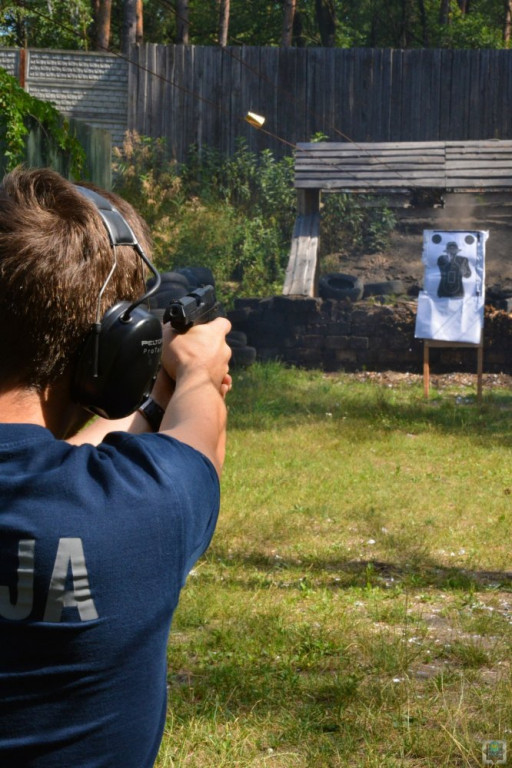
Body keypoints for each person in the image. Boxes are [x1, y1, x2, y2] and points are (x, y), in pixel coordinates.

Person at [0, 167, 232, 767]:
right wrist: (197, 374)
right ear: (110, 352)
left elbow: (51, 465)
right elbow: (193, 444)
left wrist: (153, 400)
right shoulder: (145, 508)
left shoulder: (115, 497)